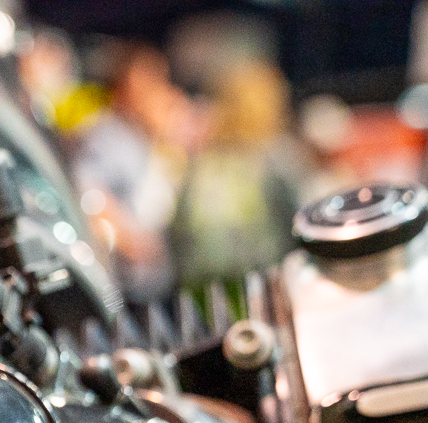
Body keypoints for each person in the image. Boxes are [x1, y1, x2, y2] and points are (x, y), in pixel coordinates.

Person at [71, 43, 191, 312]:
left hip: (153, 283)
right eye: (146, 83)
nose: (155, 92)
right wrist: (134, 242)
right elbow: (90, 196)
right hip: (123, 286)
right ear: (122, 88)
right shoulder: (105, 134)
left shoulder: (145, 137)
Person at [171, 61, 303, 298]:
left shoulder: (201, 163)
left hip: (201, 291)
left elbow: (177, 230)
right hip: (259, 286)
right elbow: (299, 220)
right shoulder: (272, 158)